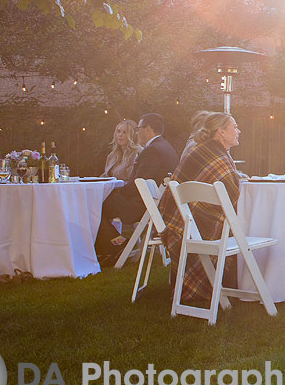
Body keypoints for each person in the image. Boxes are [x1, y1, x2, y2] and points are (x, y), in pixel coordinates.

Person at [159, 112, 243, 305]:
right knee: (241, 223)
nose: (238, 131)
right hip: (202, 226)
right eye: (235, 127)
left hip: (185, 224)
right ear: (221, 132)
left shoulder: (198, 150)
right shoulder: (219, 158)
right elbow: (232, 194)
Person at [93, 112, 179, 262]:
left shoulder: (152, 150)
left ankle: (116, 246)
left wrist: (114, 191)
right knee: (98, 203)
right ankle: (113, 245)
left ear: (148, 129)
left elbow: (138, 184)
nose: (137, 132)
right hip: (158, 203)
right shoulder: (166, 146)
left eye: (139, 128)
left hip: (144, 205)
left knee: (93, 205)